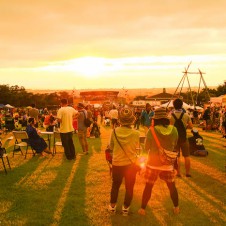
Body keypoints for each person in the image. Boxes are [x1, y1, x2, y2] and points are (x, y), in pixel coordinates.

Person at [138, 107, 179, 216]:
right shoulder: (174, 129)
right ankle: (176, 207)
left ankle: (142, 209)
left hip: (153, 164)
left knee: (148, 186)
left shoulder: (151, 130)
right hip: (168, 163)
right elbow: (174, 144)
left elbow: (146, 148)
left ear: (155, 119)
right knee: (172, 187)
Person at [108, 107, 140, 216]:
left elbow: (111, 147)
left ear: (119, 120)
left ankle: (112, 206)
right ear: (132, 120)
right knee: (129, 186)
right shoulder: (136, 133)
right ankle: (125, 208)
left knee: (115, 185)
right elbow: (136, 146)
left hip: (117, 162)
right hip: (131, 163)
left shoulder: (114, 131)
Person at [170, 98, 193, 177]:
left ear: (174, 106)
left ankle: (178, 173)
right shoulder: (186, 115)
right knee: (187, 156)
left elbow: (170, 127)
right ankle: (188, 173)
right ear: (182, 105)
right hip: (184, 137)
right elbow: (191, 126)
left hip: (174, 138)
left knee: (177, 156)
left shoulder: (171, 116)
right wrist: (185, 126)